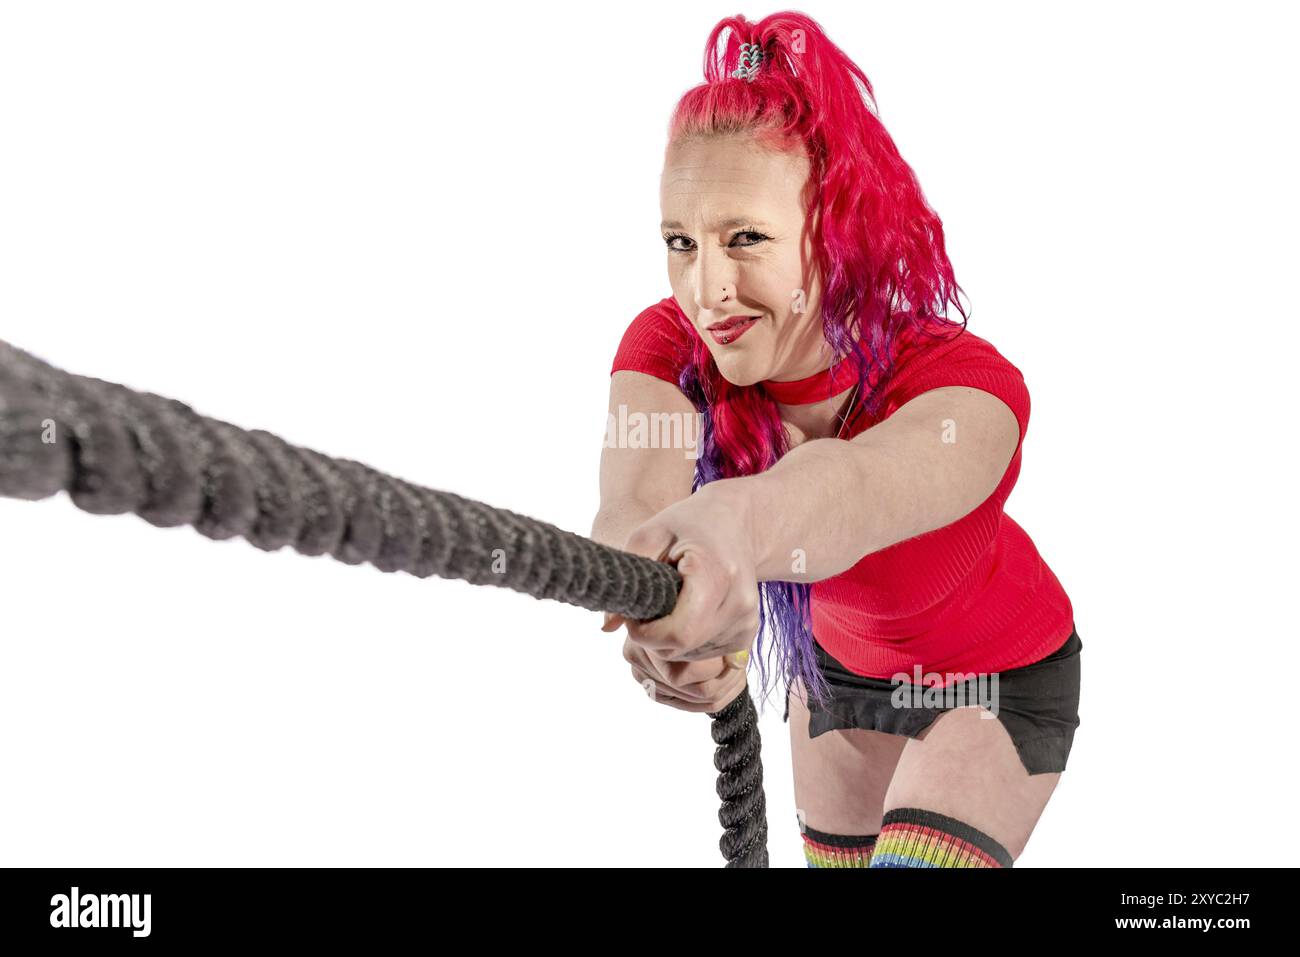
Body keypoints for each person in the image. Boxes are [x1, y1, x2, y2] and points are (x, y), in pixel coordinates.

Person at [591, 12, 1081, 868]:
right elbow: (634, 500)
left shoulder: (966, 387)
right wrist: (659, 601)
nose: (708, 289)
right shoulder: (669, 345)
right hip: (834, 684)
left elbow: (851, 488)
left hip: (996, 686)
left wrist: (733, 529)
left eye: (746, 238)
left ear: (835, 230)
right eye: (681, 243)